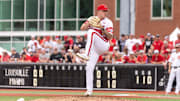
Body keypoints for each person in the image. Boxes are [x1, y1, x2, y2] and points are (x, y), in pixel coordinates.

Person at [77, 4, 113, 96]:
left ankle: (86, 54)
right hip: (94, 49)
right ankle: (89, 91)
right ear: (99, 11)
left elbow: (110, 37)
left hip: (104, 44)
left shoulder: (108, 22)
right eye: (104, 11)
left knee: (91, 32)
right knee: (89, 67)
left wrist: (102, 29)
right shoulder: (92, 18)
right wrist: (88, 23)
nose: (105, 13)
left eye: (106, 11)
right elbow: (82, 28)